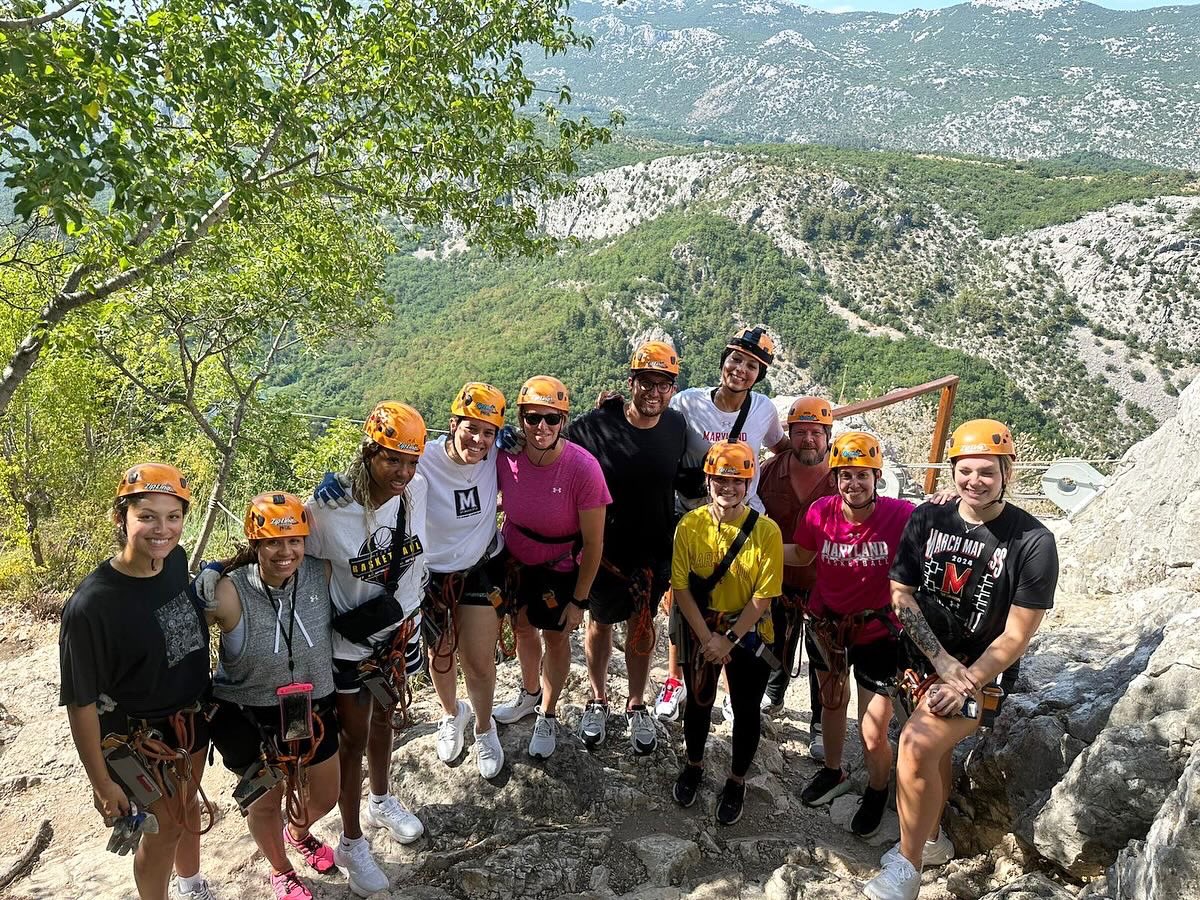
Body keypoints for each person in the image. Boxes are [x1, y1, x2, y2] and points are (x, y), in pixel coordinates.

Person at [863, 419, 1058, 900]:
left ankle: (907, 869)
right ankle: (931, 840)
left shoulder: (1033, 542)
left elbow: (1017, 634)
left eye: (987, 471)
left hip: (981, 672)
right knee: (934, 751)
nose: (974, 481)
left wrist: (963, 678)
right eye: (965, 470)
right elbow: (901, 593)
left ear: (1007, 473)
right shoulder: (930, 518)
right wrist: (940, 661)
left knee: (915, 745)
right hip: (921, 659)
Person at [59, 463, 217, 900]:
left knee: (186, 807)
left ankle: (190, 885)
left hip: (190, 720)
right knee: (163, 831)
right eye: (147, 516)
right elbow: (80, 702)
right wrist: (102, 783)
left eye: (173, 517)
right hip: (138, 737)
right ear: (121, 517)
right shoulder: (92, 606)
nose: (162, 529)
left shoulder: (173, 561)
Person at [305, 401, 428, 898]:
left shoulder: (415, 491)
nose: (403, 472)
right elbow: (293, 561)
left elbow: (466, 451)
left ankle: (380, 799)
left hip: (399, 632)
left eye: (411, 461)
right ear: (369, 453)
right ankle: (351, 841)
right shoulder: (327, 511)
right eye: (392, 459)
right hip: (352, 645)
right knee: (351, 740)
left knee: (386, 720)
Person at [207, 492, 340, 900]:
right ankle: (281, 870)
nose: (286, 552)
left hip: (311, 706)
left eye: (294, 541)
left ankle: (296, 832)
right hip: (250, 715)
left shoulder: (319, 572)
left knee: (326, 794)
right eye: (273, 543)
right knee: (264, 802)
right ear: (255, 544)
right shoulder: (231, 591)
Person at [656, 325, 791, 723]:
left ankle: (733, 689)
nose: (741, 370)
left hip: (745, 521)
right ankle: (675, 680)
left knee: (742, 602)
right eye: (736, 359)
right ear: (723, 360)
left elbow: (781, 446)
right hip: (693, 517)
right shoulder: (687, 402)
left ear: (759, 375)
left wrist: (823, 458)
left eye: (752, 366)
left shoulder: (763, 409)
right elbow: (652, 424)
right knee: (682, 600)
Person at [783, 431, 913, 838]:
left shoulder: (900, 515)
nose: (853, 484)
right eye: (845, 476)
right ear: (835, 478)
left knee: (873, 729)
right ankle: (834, 770)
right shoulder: (820, 512)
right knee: (832, 702)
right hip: (827, 625)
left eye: (862, 475)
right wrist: (754, 545)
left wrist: (947, 498)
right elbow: (801, 554)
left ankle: (877, 788)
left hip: (878, 632)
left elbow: (940, 527)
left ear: (876, 477)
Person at [567, 341, 688, 755]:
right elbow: (552, 447)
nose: (653, 392)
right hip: (605, 551)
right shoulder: (596, 425)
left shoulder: (676, 427)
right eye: (645, 383)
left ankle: (636, 703)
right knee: (599, 623)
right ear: (631, 382)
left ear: (672, 389)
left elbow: (695, 474)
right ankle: (598, 698)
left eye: (662, 384)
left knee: (642, 626)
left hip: (653, 551)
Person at [491, 376, 611, 760]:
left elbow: (594, 543)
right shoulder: (506, 456)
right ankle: (530, 693)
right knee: (522, 627)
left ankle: (548, 711)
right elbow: (460, 459)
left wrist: (579, 601)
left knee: (555, 637)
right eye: (532, 418)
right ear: (521, 419)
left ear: (564, 421)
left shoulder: (583, 468)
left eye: (551, 418)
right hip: (517, 559)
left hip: (560, 567)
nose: (541, 427)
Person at [670, 441, 783, 826]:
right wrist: (707, 639)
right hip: (702, 627)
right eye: (720, 479)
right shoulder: (690, 526)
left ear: (748, 484)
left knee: (746, 708)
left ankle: (737, 781)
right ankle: (694, 764)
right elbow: (680, 587)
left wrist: (727, 640)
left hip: (747, 633)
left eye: (737, 481)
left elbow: (763, 596)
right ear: (708, 481)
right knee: (699, 701)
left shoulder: (766, 532)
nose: (728, 487)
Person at [420, 382, 509, 779]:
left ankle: (485, 727)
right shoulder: (423, 459)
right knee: (440, 653)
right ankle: (451, 713)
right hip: (432, 575)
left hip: (479, 567)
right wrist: (340, 489)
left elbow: (547, 445)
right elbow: (381, 469)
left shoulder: (497, 454)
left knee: (478, 660)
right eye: (471, 428)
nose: (479, 440)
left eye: (488, 432)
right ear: (453, 424)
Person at [756, 397, 837, 751]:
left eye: (816, 432)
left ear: (828, 435)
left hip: (825, 581)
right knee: (773, 640)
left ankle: (821, 721)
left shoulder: (843, 475)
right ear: (788, 434)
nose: (808, 439)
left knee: (825, 653)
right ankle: (773, 694)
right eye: (800, 432)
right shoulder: (768, 472)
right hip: (776, 576)